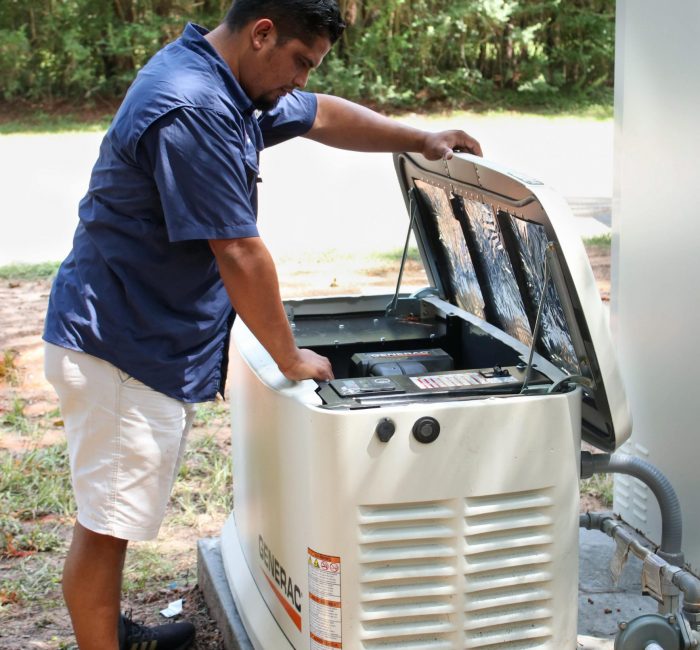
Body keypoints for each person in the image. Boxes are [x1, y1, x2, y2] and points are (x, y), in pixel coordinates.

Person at [42, 0, 482, 648]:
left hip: (136, 333)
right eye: (301, 61)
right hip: (118, 347)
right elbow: (239, 251)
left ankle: (112, 630)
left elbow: (322, 114)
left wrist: (420, 139)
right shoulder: (195, 104)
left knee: (115, 516)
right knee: (103, 530)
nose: (301, 79)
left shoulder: (232, 81)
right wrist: (290, 356)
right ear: (263, 33)